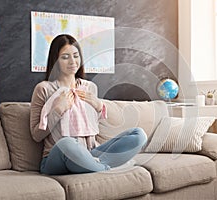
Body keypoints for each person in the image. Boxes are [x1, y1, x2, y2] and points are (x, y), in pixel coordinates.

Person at [30, 34, 147, 175]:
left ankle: (93, 165)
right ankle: (105, 168)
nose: (72, 61)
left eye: (75, 55)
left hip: (91, 153)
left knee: (138, 134)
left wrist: (98, 106)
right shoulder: (44, 88)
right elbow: (36, 134)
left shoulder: (90, 87)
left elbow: (89, 124)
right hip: (57, 157)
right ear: (55, 60)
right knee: (66, 143)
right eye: (65, 57)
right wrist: (58, 110)